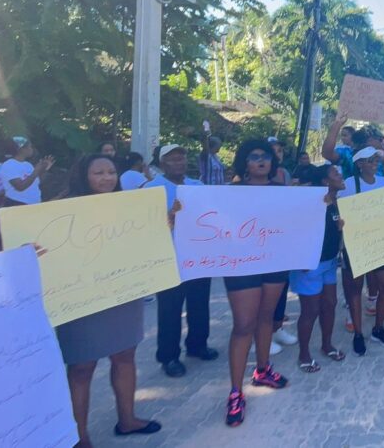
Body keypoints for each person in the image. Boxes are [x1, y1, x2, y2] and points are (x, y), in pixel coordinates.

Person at [56, 155, 161, 446]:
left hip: (121, 292)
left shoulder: (129, 206)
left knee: (125, 357)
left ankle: (127, 420)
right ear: (83, 176)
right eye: (98, 172)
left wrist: (167, 220)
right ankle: (79, 437)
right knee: (81, 367)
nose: (106, 178)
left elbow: (148, 239)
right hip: (80, 297)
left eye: (111, 172)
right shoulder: (62, 207)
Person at [223, 139, 291, 427]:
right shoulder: (228, 193)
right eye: (254, 157)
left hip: (274, 261)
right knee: (243, 325)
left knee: (266, 317)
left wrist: (322, 206)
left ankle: (262, 370)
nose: (261, 161)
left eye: (265, 156)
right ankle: (236, 392)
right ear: (245, 162)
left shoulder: (284, 193)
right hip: (242, 263)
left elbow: (299, 220)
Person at [142, 144, 218, 377]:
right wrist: (170, 217)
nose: (179, 163)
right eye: (173, 159)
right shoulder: (151, 189)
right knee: (169, 311)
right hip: (170, 259)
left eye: (182, 158)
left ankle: (197, 345)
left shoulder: (198, 186)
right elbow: (145, 227)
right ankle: (169, 356)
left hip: (198, 256)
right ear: (162, 163)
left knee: (199, 305)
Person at [290, 164, 347, 373]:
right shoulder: (311, 203)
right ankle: (304, 354)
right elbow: (297, 231)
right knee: (310, 310)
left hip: (330, 262)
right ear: (325, 182)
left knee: (330, 304)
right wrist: (301, 259)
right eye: (335, 173)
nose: (340, 175)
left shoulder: (334, 202)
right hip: (310, 265)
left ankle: (327, 345)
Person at [338, 147, 384, 351]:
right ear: (359, 164)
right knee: (355, 290)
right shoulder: (348, 185)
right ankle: (358, 333)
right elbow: (339, 211)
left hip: (380, 241)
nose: (375, 163)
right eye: (370, 160)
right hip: (356, 244)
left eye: (376, 159)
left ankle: (378, 329)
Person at [0, 136, 54, 206]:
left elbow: (36, 183)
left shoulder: (27, 164)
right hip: (17, 205)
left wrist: (45, 169)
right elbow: (20, 187)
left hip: (34, 204)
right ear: (21, 149)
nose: (32, 149)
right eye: (30, 146)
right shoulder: (9, 165)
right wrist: (36, 170)